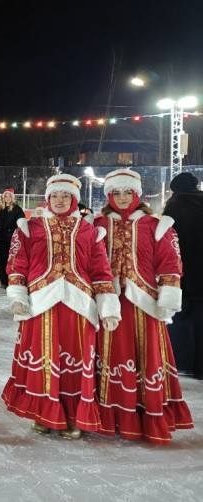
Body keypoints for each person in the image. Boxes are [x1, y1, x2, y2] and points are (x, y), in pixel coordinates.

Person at [1, 173, 118, 439]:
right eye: (56, 195)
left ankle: (75, 417)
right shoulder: (31, 227)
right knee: (44, 360)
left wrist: (108, 307)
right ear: (48, 198)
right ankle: (44, 414)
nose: (61, 200)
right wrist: (18, 296)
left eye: (66, 196)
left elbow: (100, 269)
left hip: (79, 306)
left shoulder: (89, 230)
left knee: (76, 363)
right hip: (41, 304)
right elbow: (18, 263)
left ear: (75, 199)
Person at [92, 169, 193, 444]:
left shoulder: (155, 224)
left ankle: (144, 413)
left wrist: (168, 296)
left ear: (137, 194)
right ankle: (106, 412)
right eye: (116, 193)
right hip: (107, 300)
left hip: (144, 302)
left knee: (145, 354)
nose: (122, 198)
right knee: (107, 354)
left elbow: (170, 262)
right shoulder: (97, 223)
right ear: (109, 195)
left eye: (127, 192)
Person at [162, 171, 203, 380]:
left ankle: (181, 362)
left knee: (179, 318)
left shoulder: (173, 207)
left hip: (182, 272)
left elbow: (165, 239)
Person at [0, 188, 26, 289]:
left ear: (12, 197)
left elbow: (21, 220)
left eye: (9, 196)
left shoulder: (17, 209)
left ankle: (11, 281)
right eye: (6, 196)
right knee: (2, 261)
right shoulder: (1, 208)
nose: (7, 198)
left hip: (11, 239)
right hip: (0, 239)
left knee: (11, 261)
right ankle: (3, 282)